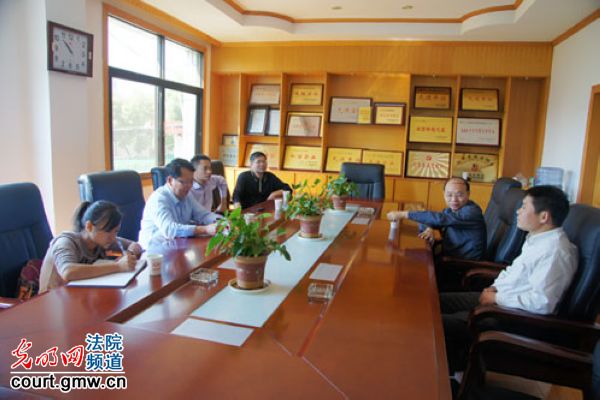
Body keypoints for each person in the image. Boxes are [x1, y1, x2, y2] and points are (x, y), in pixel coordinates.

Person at [440, 185, 578, 375]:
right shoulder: (537, 239)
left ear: (544, 216)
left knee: (433, 322)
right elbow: (512, 272)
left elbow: (543, 303)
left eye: (524, 207)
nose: (518, 211)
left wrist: (497, 298)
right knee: (430, 302)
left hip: (510, 317)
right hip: (499, 300)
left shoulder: (555, 252)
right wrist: (494, 288)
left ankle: (443, 378)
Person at [39, 201, 143, 293]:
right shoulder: (66, 242)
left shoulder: (102, 240)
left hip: (79, 294)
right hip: (51, 299)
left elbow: (135, 245)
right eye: (108, 231)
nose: (112, 237)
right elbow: (67, 272)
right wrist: (118, 266)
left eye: (116, 231)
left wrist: (129, 255)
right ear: (89, 226)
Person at [387, 177, 486, 260]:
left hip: (463, 263)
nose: (454, 199)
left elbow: (440, 219)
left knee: (411, 262)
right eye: (449, 195)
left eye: (459, 195)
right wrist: (429, 229)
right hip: (449, 257)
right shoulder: (449, 210)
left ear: (468, 194)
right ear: (443, 194)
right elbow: (434, 220)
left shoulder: (472, 212)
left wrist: (404, 214)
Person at [138, 158, 220, 248]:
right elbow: (169, 229)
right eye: (183, 182)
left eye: (191, 182)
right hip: (153, 249)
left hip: (176, 245)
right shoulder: (159, 199)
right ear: (170, 180)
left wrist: (224, 222)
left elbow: (204, 215)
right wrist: (205, 229)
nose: (189, 186)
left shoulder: (187, 195)